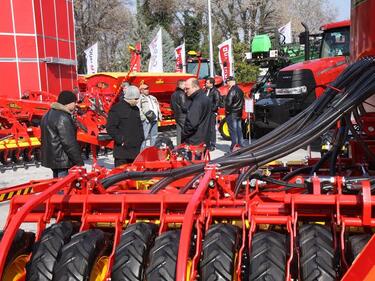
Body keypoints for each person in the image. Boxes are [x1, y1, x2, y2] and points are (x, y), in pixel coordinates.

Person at [40, 90, 84, 178]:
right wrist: (79, 161)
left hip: (52, 158)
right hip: (62, 160)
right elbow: (68, 142)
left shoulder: (47, 115)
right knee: (63, 187)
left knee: (56, 183)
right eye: (74, 102)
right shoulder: (63, 117)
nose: (75, 104)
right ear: (67, 103)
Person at [106, 86, 144, 167]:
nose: (137, 101)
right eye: (136, 99)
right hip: (122, 151)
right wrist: (121, 140)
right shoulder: (116, 109)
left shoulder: (135, 109)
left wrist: (141, 138)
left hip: (135, 149)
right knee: (121, 175)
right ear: (130, 98)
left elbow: (138, 125)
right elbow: (110, 127)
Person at [181, 78, 211, 146]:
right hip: (203, 138)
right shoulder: (205, 97)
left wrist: (183, 134)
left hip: (194, 140)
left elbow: (192, 124)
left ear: (195, 87)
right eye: (184, 89)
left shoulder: (197, 101)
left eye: (187, 89)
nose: (185, 91)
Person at [139, 83, 162, 149]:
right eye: (145, 89)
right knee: (144, 136)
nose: (147, 90)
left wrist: (159, 115)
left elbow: (157, 107)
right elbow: (138, 109)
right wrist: (143, 118)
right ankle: (142, 151)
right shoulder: (140, 98)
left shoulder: (153, 98)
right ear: (141, 90)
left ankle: (153, 149)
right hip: (147, 120)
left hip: (154, 119)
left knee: (154, 135)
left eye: (148, 88)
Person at [225, 76, 245, 151]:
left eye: (227, 82)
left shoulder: (232, 90)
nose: (227, 83)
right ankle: (241, 145)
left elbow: (228, 103)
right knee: (239, 130)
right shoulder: (240, 90)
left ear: (230, 82)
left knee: (233, 131)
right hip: (238, 113)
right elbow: (242, 101)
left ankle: (234, 147)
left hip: (232, 113)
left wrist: (227, 111)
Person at [205, 77, 220, 151]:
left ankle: (213, 144)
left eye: (207, 83)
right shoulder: (205, 91)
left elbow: (217, 102)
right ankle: (207, 143)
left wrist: (213, 110)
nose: (206, 84)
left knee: (211, 129)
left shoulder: (215, 91)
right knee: (206, 129)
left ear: (211, 83)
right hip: (205, 113)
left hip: (211, 113)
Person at [170, 80, 188, 145]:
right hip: (183, 115)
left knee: (179, 132)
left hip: (176, 115)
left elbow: (171, 106)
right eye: (184, 85)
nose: (186, 86)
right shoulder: (182, 94)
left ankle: (179, 146)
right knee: (186, 131)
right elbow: (184, 106)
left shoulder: (173, 94)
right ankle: (186, 145)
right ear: (181, 85)